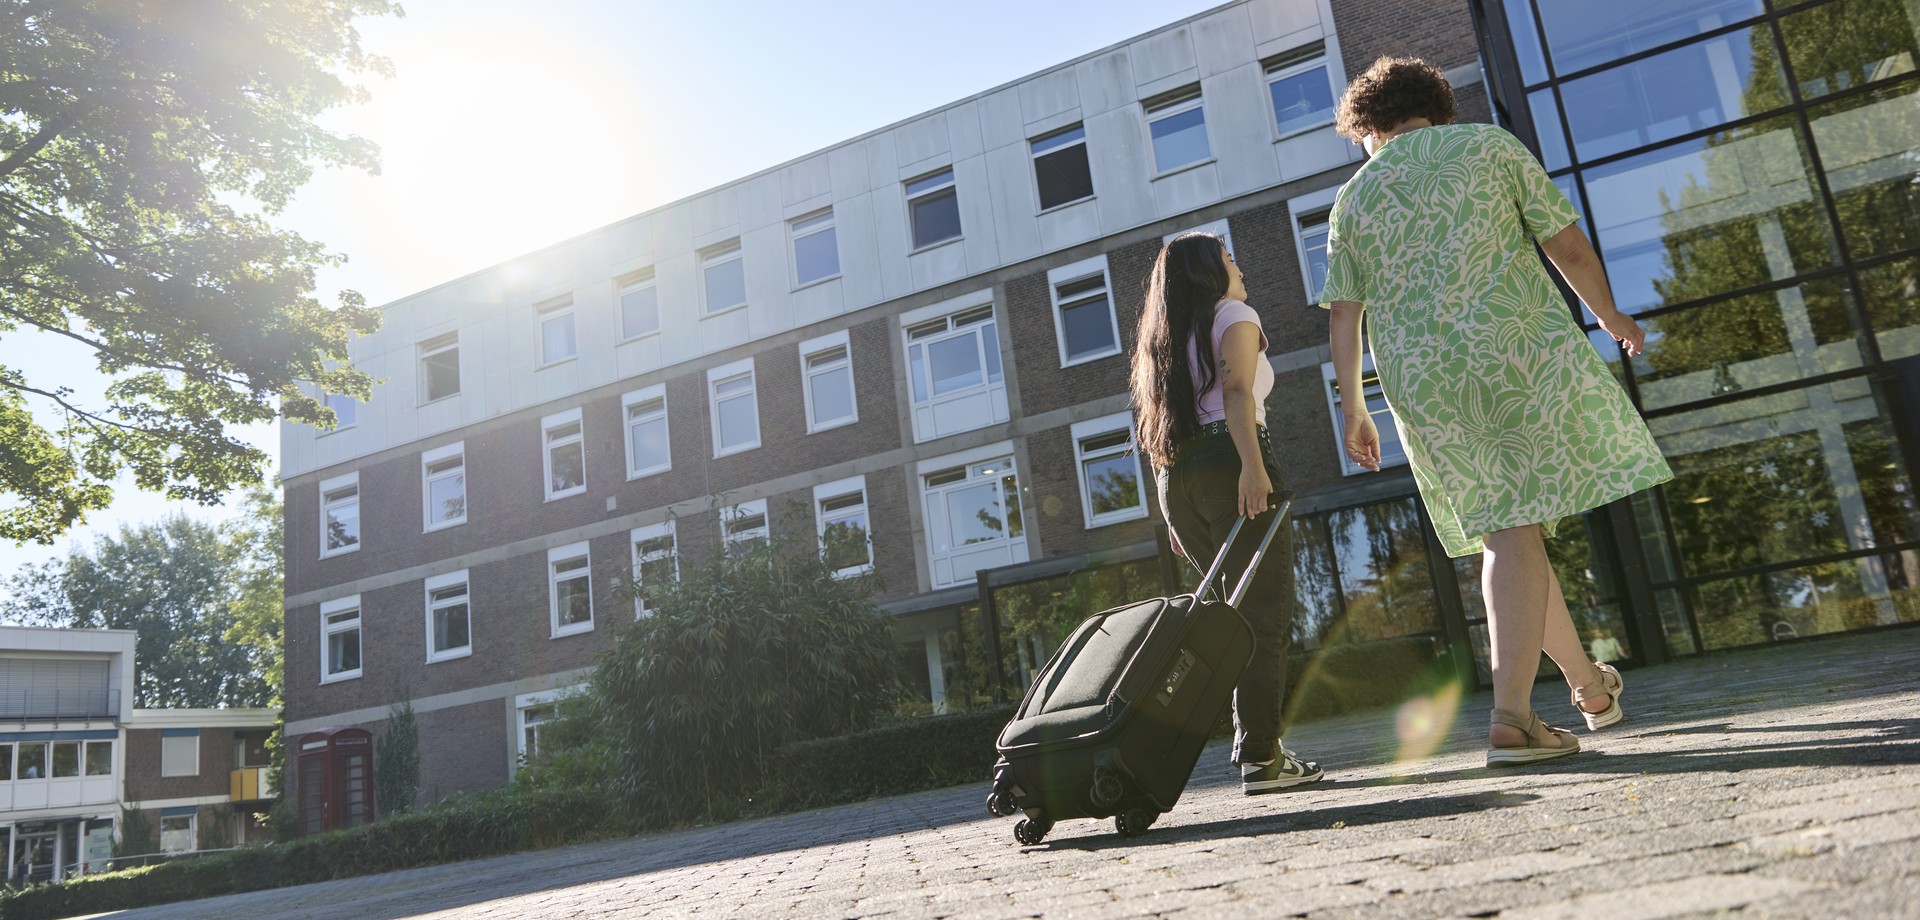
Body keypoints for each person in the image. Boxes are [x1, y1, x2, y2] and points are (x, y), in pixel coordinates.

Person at [1320, 57, 1673, 767]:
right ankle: (1512, 717)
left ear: (1370, 125)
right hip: (1516, 353)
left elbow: (1345, 320)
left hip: (1423, 384)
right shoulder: (1487, 146)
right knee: (1512, 530)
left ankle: (1587, 688)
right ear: (1432, 108)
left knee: (1513, 528)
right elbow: (1564, 245)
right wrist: (1608, 315)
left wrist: (1355, 409)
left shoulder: (1353, 200)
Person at [1129, 231, 1322, 794]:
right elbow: (1239, 395)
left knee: (1228, 619)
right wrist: (1253, 466)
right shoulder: (1233, 312)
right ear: (1210, 274)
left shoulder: (1162, 338)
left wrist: (1170, 513)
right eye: (1229, 258)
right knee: (1261, 616)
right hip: (1230, 458)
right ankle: (1262, 757)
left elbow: (1156, 427)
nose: (1239, 267)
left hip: (1177, 477)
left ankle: (1256, 748)